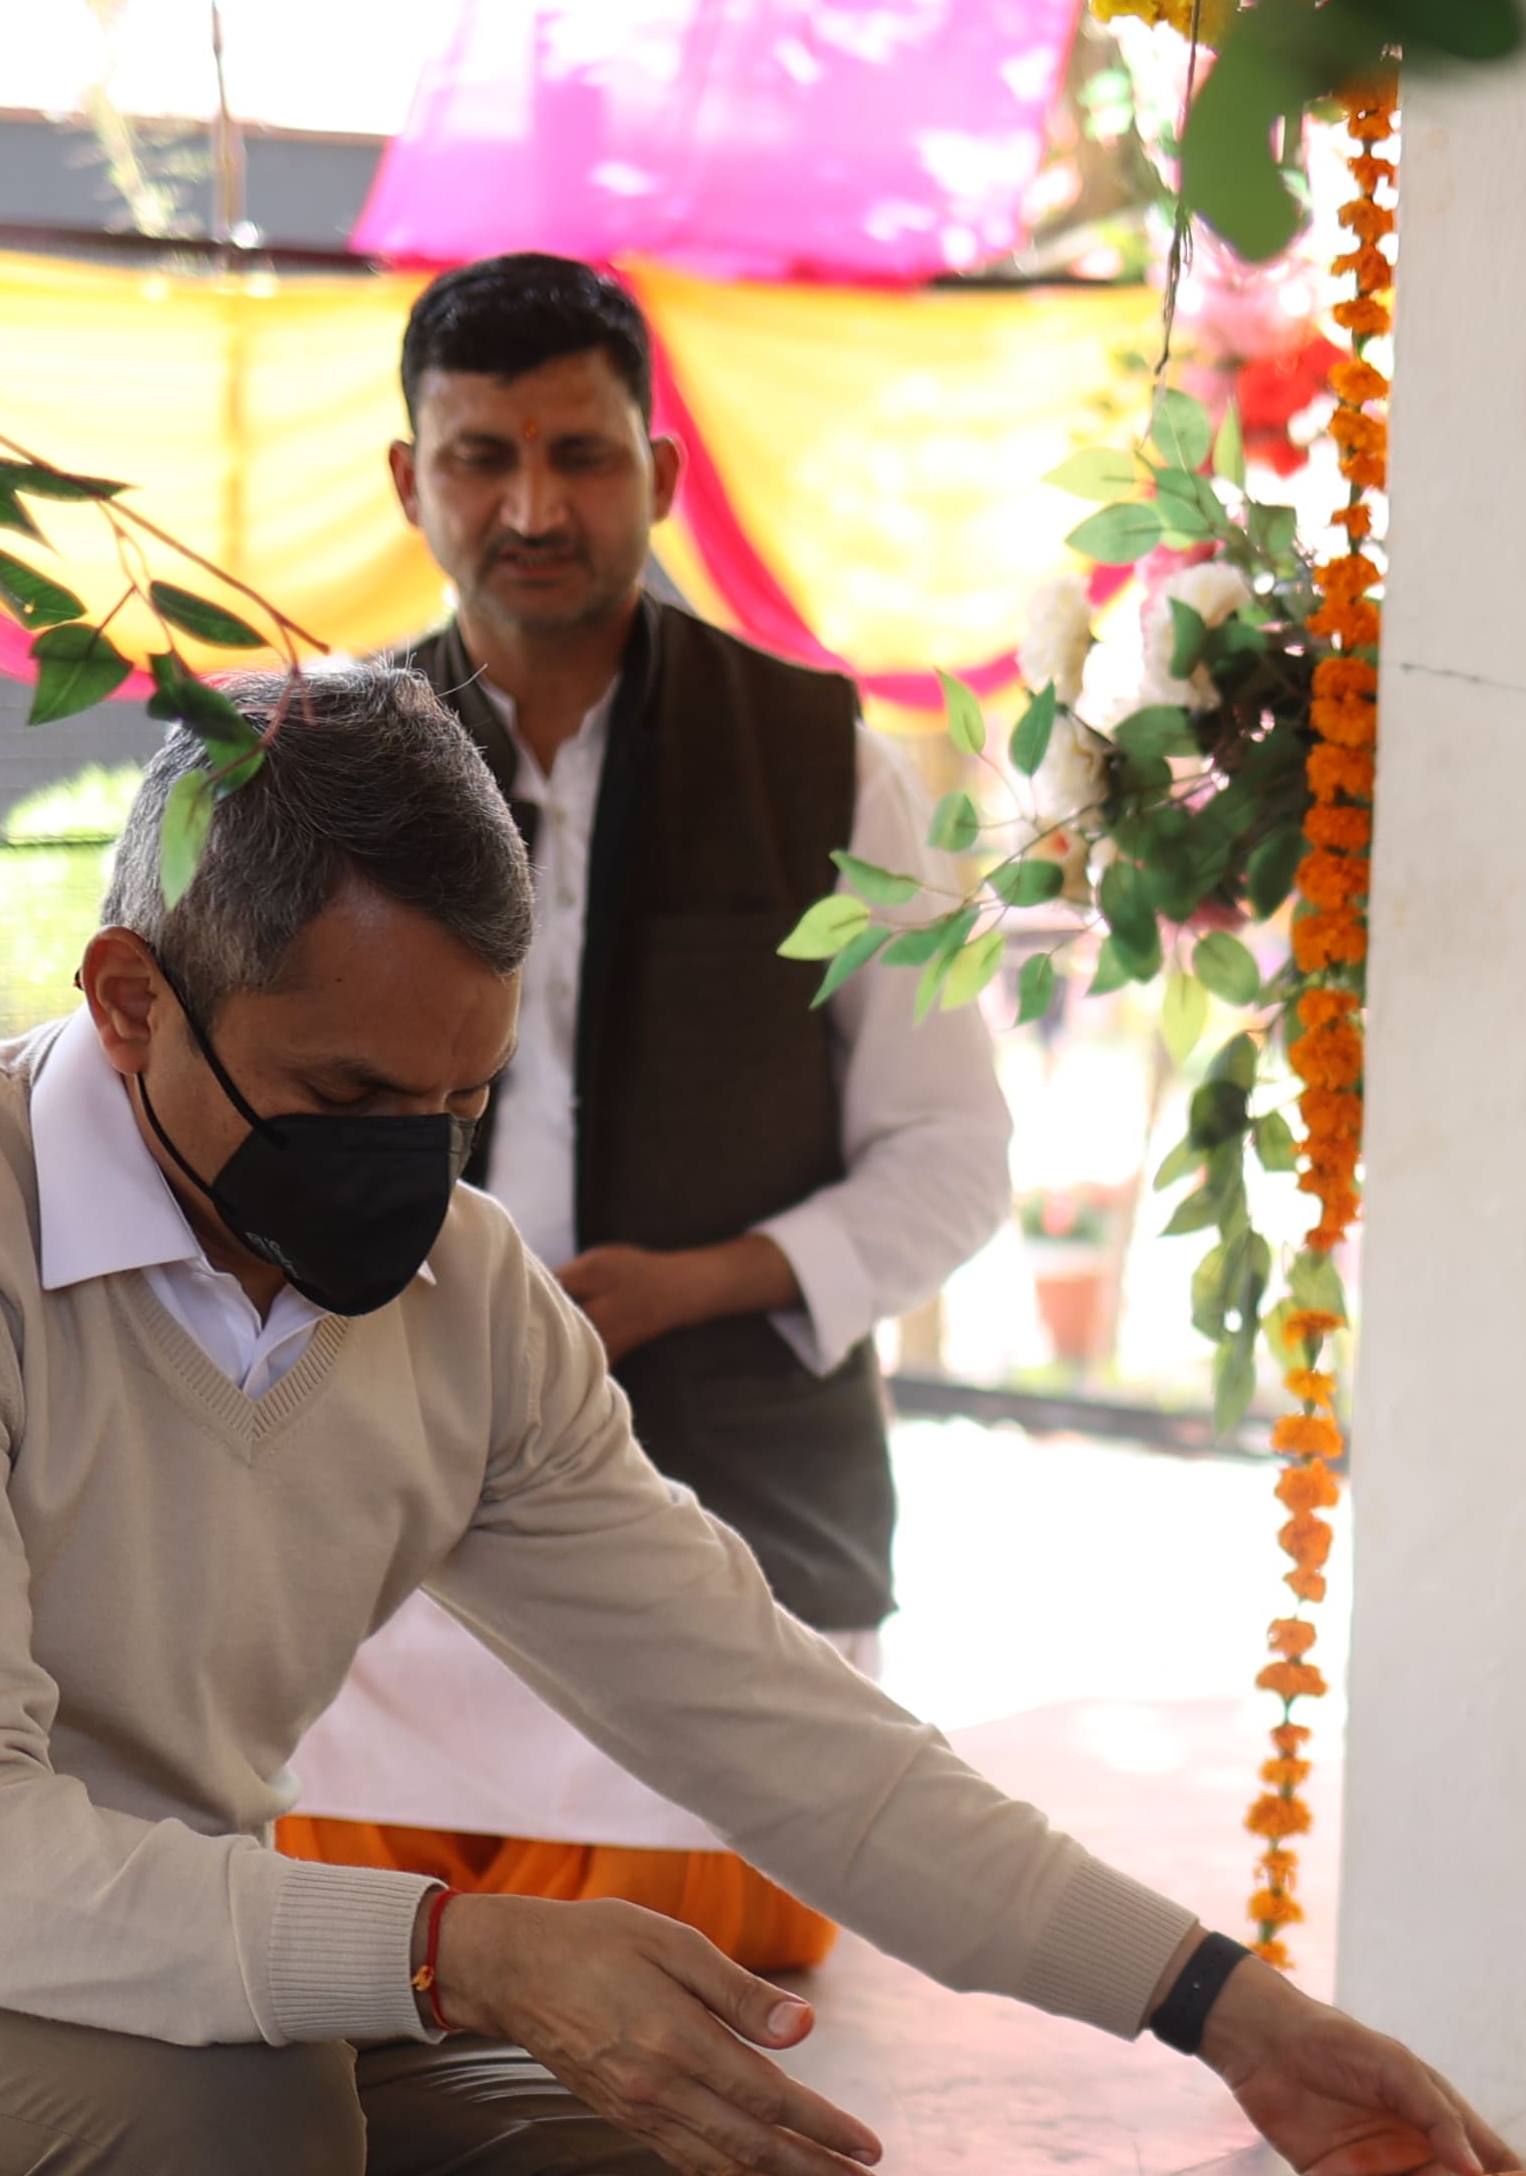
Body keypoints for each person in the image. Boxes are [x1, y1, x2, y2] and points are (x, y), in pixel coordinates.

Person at [0, 664, 1502, 2176]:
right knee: (234, 2150)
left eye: (460, 1105)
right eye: (350, 1092)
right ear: (131, 1003)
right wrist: (463, 1953)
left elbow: (773, 1724)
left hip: (180, 1976)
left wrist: (1222, 2005)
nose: (411, 1168)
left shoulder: (464, 1298)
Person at [271, 249, 997, 1971]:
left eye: (583, 455)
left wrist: (700, 1280)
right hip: (390, 1494)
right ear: (409, 480)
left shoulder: (824, 760)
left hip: (727, 1487)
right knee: (374, 1991)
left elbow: (953, 1162)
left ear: (659, 475)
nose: (535, 506)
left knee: (711, 2000)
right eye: (481, 457)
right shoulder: (316, 767)